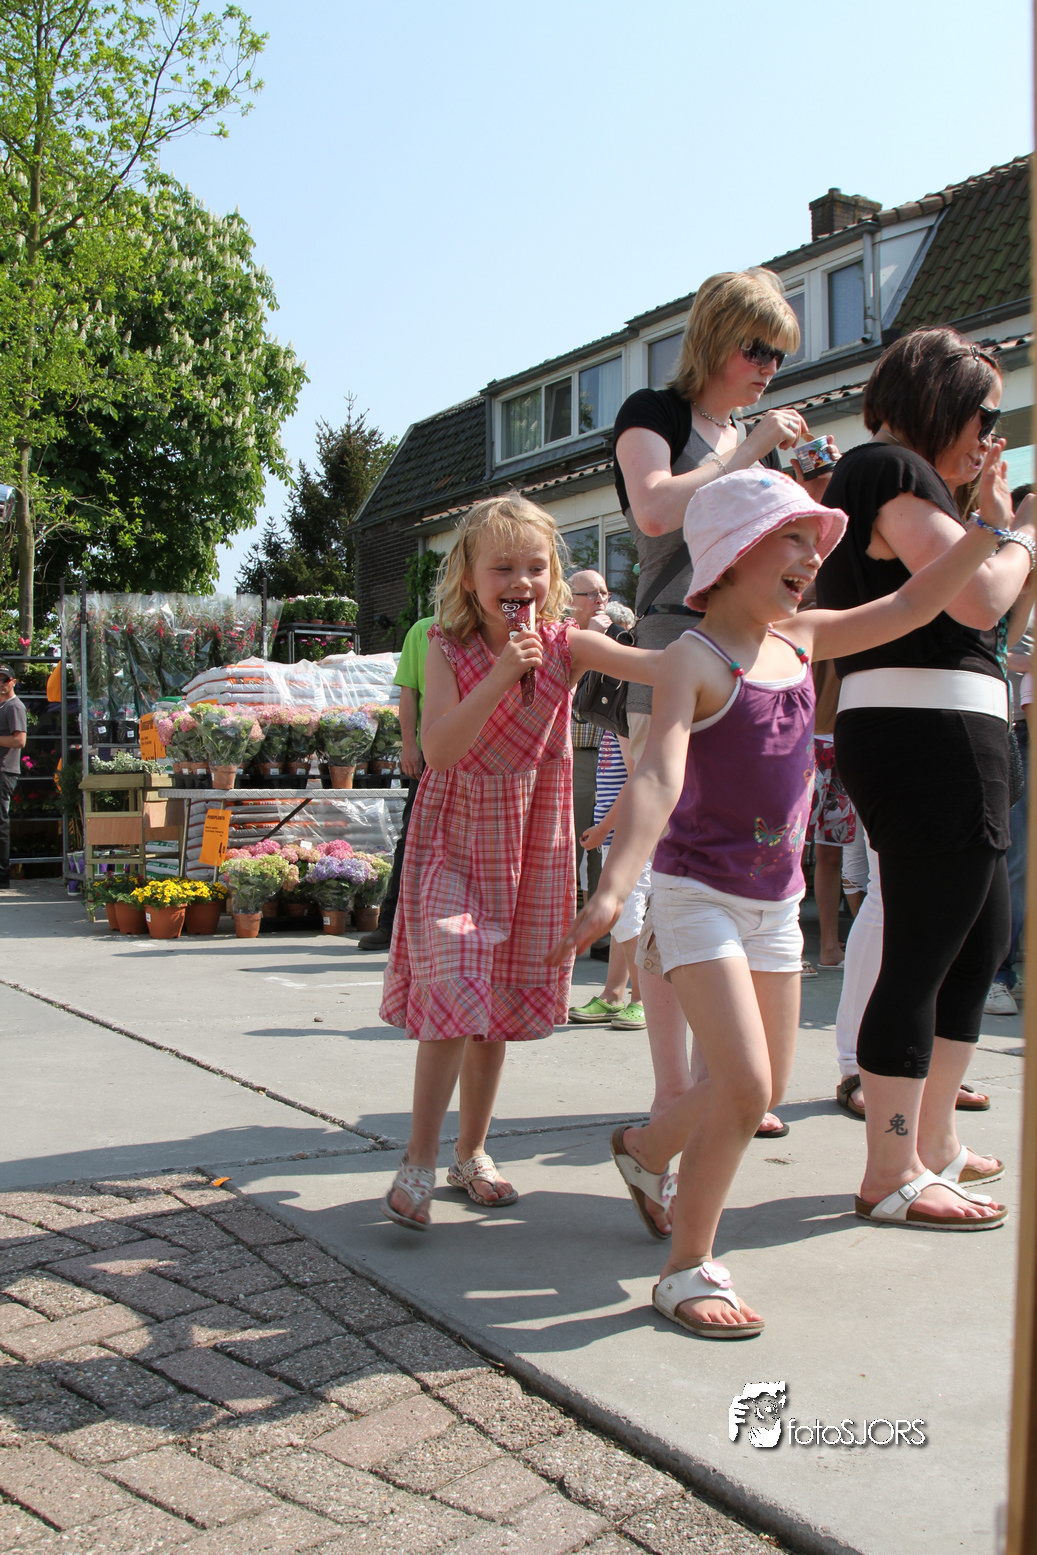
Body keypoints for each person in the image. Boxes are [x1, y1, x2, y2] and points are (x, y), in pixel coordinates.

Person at [549, 466, 1012, 1337]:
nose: (811, 557)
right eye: (791, 540)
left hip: (774, 899)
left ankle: (645, 1151)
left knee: (756, 1081)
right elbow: (657, 776)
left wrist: (990, 532)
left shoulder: (800, 636)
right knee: (744, 1084)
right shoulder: (695, 659)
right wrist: (614, 885)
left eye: (813, 541)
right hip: (697, 895)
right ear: (730, 556)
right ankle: (686, 1266)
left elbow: (914, 603)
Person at [379, 495, 659, 1230]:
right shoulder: (444, 646)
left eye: (535, 567)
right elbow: (441, 750)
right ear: (468, 578)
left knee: (493, 1006)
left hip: (530, 841)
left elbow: (652, 664)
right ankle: (417, 1158)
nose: (521, 581)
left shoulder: (567, 645)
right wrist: (502, 673)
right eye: (502, 567)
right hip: (455, 835)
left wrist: (731, 643)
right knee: (453, 986)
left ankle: (471, 1153)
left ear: (553, 577)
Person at [816, 327, 1035, 1225]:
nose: (991, 435)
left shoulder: (909, 482)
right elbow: (979, 600)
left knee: (977, 941)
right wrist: (1020, 535)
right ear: (942, 401)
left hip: (956, 724)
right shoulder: (885, 468)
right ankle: (889, 1167)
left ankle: (932, 1140)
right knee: (922, 950)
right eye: (985, 415)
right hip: (923, 727)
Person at [613, 267, 807, 1133]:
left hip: (750, 657)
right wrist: (748, 451)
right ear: (716, 338)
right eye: (757, 349)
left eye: (778, 356)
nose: (767, 368)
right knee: (672, 873)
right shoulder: (655, 413)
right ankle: (673, 1090)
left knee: (730, 868)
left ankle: (718, 1082)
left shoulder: (745, 435)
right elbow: (654, 513)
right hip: (671, 648)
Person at [357, 615, 433, 953]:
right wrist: (409, 746)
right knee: (413, 837)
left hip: (483, 757)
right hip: (433, 754)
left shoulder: (492, 629)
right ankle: (390, 923)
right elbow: (409, 693)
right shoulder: (423, 630)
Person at [568, 568, 612, 960]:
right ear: (571, 600)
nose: (600, 600)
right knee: (568, 845)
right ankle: (558, 928)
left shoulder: (618, 638)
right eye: (591, 594)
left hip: (611, 756)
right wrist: (591, 641)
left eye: (604, 592)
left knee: (603, 844)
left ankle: (601, 935)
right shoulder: (561, 637)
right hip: (573, 758)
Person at [0, 666, 27, 889]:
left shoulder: (14, 706)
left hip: (4, 771)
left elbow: (19, 740)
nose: (1, 683)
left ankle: (2, 876)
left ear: (13, 681)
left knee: (0, 824)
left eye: (5, 679)